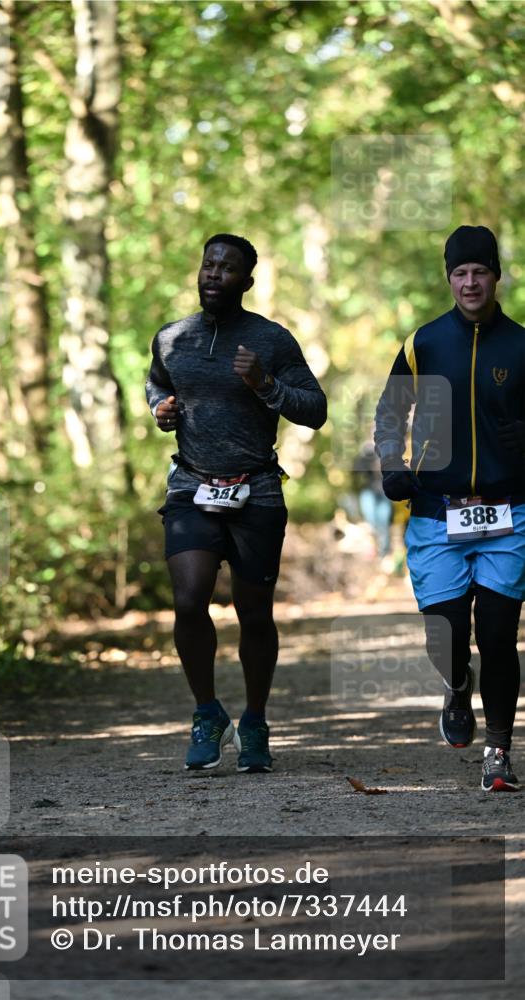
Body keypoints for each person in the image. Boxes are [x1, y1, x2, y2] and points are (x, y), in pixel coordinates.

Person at [146, 234, 326, 772]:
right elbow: (156, 386)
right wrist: (163, 409)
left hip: (258, 492)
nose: (214, 274)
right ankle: (206, 712)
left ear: (247, 281)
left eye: (227, 269)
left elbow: (314, 409)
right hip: (191, 486)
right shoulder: (172, 338)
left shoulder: (271, 340)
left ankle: (255, 721)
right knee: (189, 599)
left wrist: (266, 383)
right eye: (208, 264)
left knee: (254, 614)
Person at [375, 225, 524, 792]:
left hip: (509, 511)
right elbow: (390, 415)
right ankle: (457, 686)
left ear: (496, 276)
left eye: (479, 272)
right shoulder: (424, 343)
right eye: (459, 273)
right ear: (449, 278)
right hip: (437, 510)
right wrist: (392, 466)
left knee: (498, 631)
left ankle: (498, 751)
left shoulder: (521, 345)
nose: (469, 282)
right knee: (446, 630)